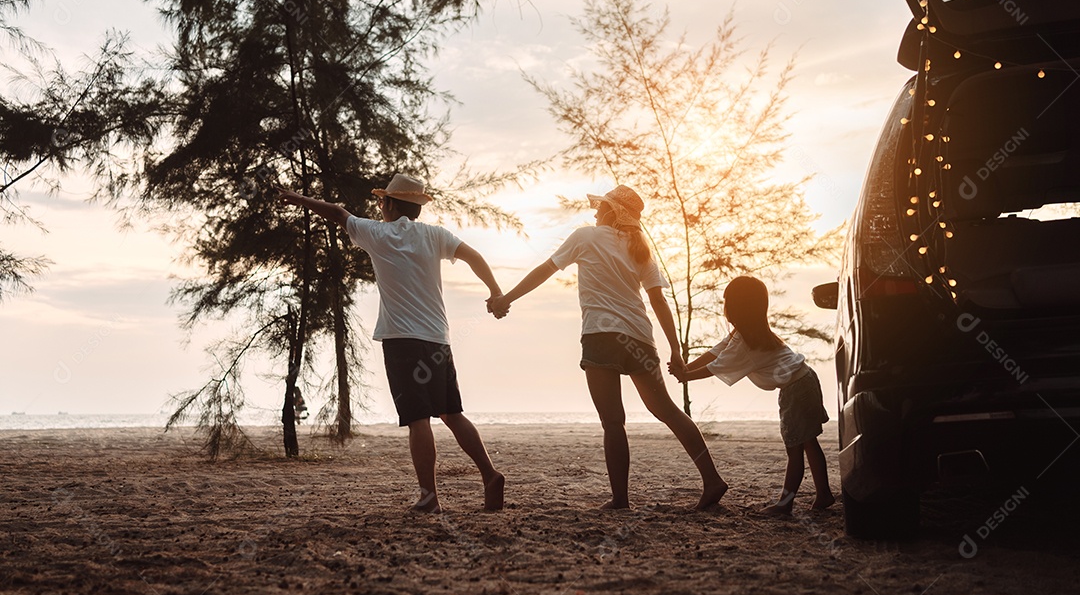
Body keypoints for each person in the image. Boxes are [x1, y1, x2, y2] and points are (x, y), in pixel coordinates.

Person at [488, 185, 728, 510]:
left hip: (602, 336)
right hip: (639, 337)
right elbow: (658, 299)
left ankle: (620, 500)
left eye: (600, 207)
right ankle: (712, 479)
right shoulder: (640, 248)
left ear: (611, 212)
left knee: (613, 421)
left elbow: (545, 270)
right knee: (667, 410)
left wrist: (506, 299)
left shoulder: (585, 237)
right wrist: (674, 349)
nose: (595, 211)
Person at [276, 174, 505, 514]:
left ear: (392, 204)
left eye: (382, 201)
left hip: (403, 341)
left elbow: (338, 213)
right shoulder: (436, 235)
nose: (379, 207)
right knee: (452, 413)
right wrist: (495, 291)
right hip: (438, 338)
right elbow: (474, 256)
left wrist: (297, 198)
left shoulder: (378, 234)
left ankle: (429, 498)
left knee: (418, 420)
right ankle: (489, 474)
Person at [670, 275, 834, 515]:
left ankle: (785, 504)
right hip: (806, 379)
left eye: (726, 302)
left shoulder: (746, 342)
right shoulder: (749, 333)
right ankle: (824, 494)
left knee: (795, 449)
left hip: (796, 389)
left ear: (736, 307)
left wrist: (686, 376)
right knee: (809, 442)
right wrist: (686, 368)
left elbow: (715, 367)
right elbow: (715, 352)